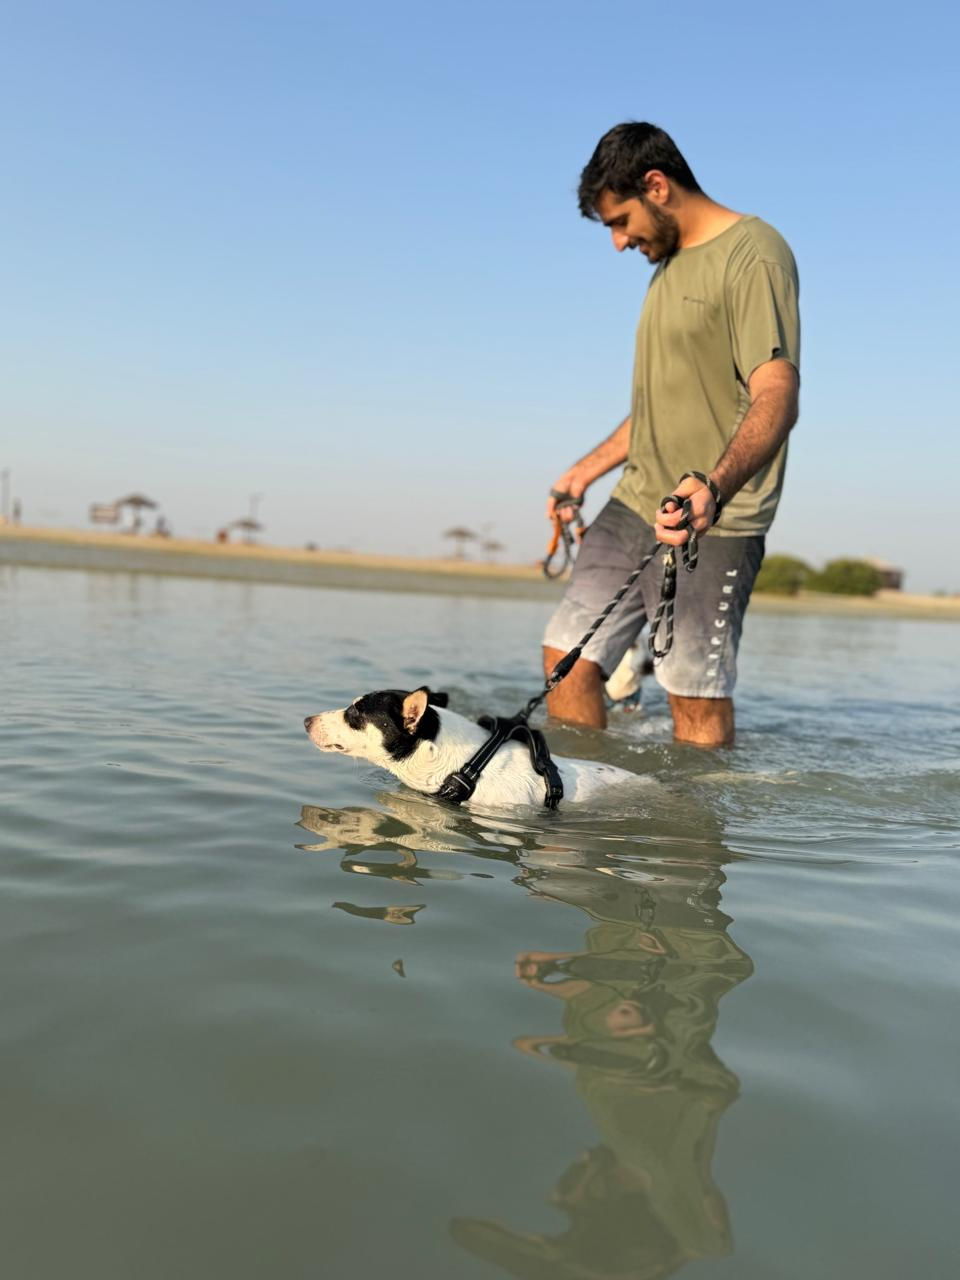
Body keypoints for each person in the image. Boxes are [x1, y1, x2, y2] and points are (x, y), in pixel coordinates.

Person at [543, 123, 800, 747]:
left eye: (620, 220)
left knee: (693, 696)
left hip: (714, 520)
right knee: (564, 660)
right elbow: (663, 405)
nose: (617, 241)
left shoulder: (753, 252)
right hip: (635, 501)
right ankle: (584, 815)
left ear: (656, 186)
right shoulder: (666, 269)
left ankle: (690, 840)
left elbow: (777, 392)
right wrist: (585, 470)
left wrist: (713, 486)